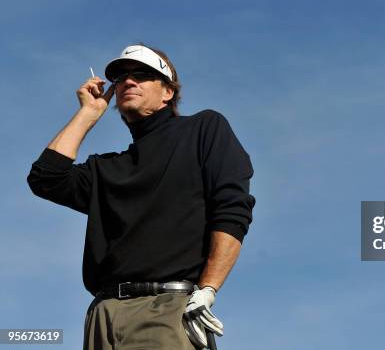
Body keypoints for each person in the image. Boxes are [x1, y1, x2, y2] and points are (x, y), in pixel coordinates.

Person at [27, 44, 255, 349]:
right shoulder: (107, 168)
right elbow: (46, 178)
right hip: (102, 316)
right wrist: (87, 114)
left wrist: (207, 289)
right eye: (122, 78)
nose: (128, 82)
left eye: (142, 75)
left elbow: (232, 208)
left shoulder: (203, 129)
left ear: (168, 92)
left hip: (166, 309)